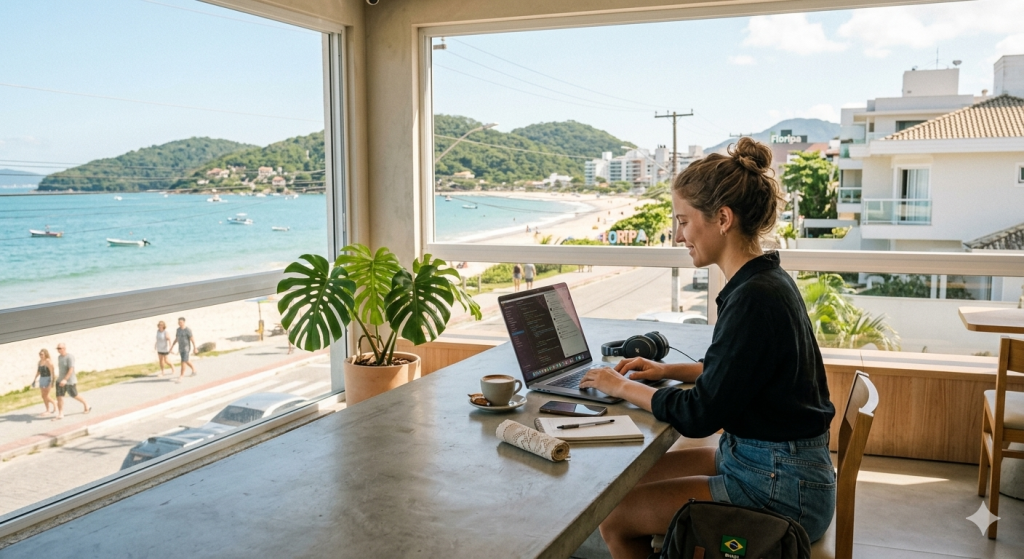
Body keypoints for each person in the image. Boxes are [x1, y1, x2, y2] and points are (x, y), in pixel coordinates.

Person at [580, 137, 836, 558]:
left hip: (779, 487)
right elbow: (735, 371)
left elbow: (699, 415)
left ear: (722, 218)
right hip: (770, 464)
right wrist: (666, 371)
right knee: (626, 482)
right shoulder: (764, 280)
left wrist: (621, 386)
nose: (678, 235)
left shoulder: (754, 297)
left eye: (683, 221)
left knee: (616, 517)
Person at [54, 343, 90, 420]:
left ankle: (86, 404)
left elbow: (71, 369)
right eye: (57, 348)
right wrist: (60, 379)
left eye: (60, 348)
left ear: (64, 348)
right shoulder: (59, 357)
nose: (58, 350)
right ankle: (60, 413)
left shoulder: (70, 357)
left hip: (69, 381)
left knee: (74, 395)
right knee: (59, 397)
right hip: (60, 380)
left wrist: (65, 379)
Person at [170, 317, 198, 382]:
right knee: (186, 360)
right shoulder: (178, 330)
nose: (180, 323)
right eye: (179, 322)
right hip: (180, 348)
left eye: (181, 322)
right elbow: (176, 339)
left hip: (186, 348)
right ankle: (194, 370)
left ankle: (181, 376)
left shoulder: (188, 330)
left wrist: (195, 348)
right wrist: (172, 347)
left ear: (184, 322)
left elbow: (192, 339)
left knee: (183, 362)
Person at [32, 348, 56, 417]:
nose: (40, 355)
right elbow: (38, 371)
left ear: (45, 354)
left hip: (48, 378)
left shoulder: (48, 361)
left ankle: (51, 407)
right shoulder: (39, 362)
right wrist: (34, 379)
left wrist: (52, 381)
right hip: (42, 379)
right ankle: (49, 408)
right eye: (40, 354)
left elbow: (52, 372)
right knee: (43, 396)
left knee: (46, 395)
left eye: (42, 354)